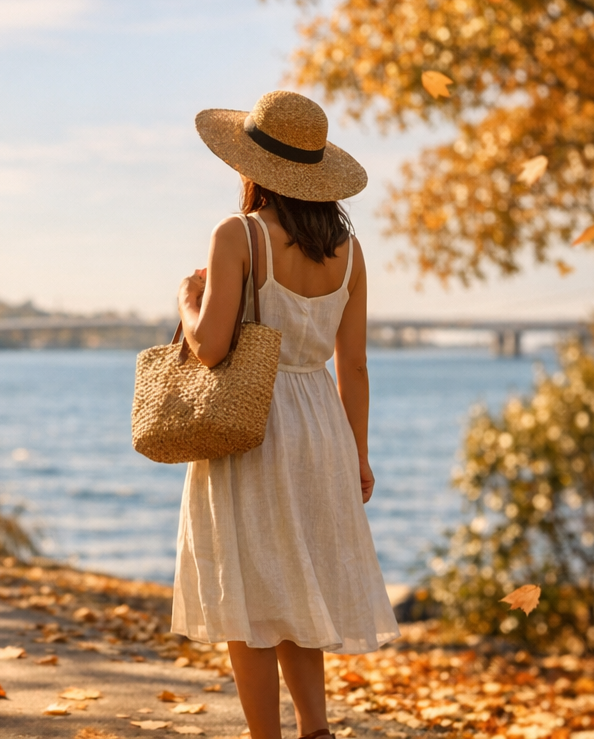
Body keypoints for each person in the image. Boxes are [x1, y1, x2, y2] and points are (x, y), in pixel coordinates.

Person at [171, 90, 399, 739]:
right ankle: (316, 731)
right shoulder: (349, 253)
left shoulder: (238, 235)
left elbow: (210, 348)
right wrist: (358, 452)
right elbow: (352, 366)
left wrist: (189, 301)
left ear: (252, 170)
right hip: (320, 426)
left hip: (253, 425)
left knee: (247, 596)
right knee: (300, 587)